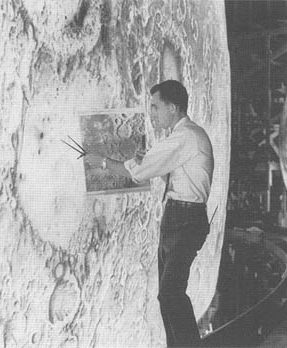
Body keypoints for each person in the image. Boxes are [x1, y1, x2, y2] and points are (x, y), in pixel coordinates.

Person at [85, 80, 214, 347]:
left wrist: (104, 163)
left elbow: (140, 173)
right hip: (179, 218)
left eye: (155, 107)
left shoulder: (184, 137)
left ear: (173, 107)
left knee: (170, 294)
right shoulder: (182, 136)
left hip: (184, 220)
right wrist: (152, 160)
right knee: (166, 295)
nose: (152, 113)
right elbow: (174, 170)